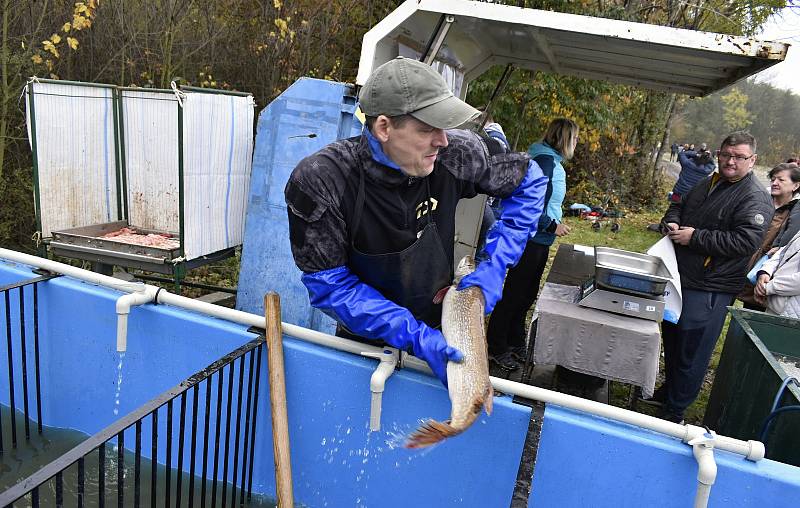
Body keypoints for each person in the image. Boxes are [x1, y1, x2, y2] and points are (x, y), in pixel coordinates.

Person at [284, 57, 547, 387]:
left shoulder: (455, 154)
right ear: (384, 128)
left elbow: (530, 180)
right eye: (427, 129)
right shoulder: (323, 181)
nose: (443, 140)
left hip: (441, 332)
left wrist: (495, 263)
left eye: (443, 127)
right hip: (362, 342)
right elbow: (329, 284)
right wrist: (411, 334)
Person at [654, 131, 772, 423]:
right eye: (726, 155)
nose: (731, 161)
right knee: (673, 337)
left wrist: (695, 238)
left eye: (739, 157)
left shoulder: (754, 197)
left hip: (711, 287)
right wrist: (672, 220)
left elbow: (745, 242)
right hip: (681, 277)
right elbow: (680, 203)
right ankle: (671, 391)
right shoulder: (710, 182)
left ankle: (676, 410)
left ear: (752, 160)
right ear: (718, 155)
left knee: (692, 350)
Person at [486, 118, 579, 371]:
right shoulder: (546, 162)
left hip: (539, 240)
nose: (577, 143)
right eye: (575, 138)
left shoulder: (551, 160)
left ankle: (514, 341)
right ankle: (496, 347)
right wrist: (551, 225)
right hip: (531, 238)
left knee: (525, 294)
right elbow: (534, 202)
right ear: (565, 138)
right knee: (515, 293)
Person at [738, 163, 800, 309]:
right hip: (737, 264)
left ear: (795, 185)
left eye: (781, 180)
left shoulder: (795, 211)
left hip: (762, 273)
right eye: (773, 179)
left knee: (750, 315)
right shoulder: (759, 200)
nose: (775, 183)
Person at [754, 228, 800, 318]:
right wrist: (765, 272)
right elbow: (784, 251)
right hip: (776, 306)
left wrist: (767, 288)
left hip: (792, 315)